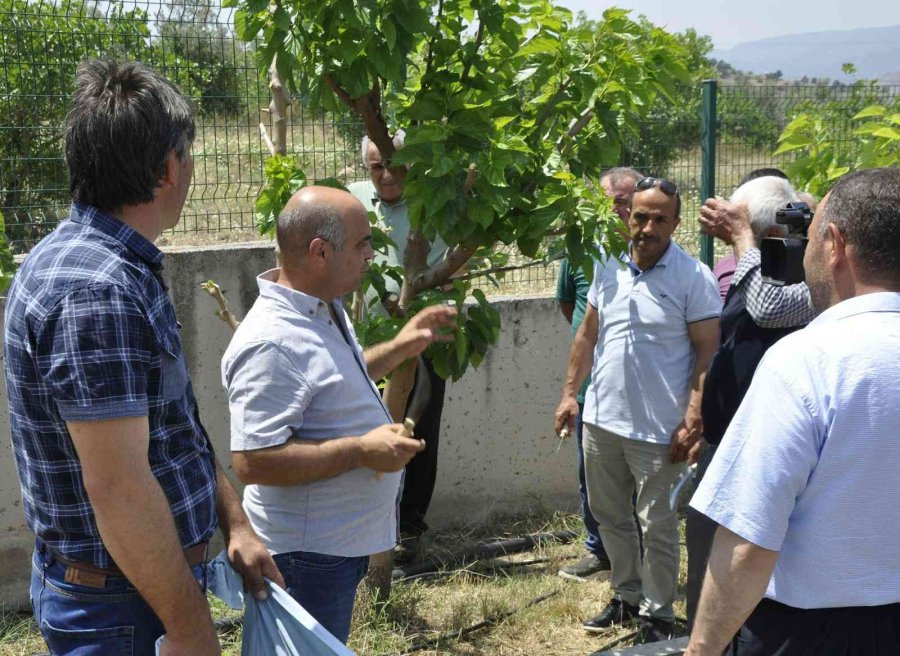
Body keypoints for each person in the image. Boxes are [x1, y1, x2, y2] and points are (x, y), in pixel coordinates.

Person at [3, 59, 281, 656]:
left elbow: (171, 427)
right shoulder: (96, 292)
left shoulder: (106, 262)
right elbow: (120, 488)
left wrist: (233, 520)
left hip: (132, 592)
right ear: (168, 168)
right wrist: (189, 627)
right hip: (122, 609)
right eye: (190, 154)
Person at [222, 186, 457, 643]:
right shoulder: (271, 341)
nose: (372, 254)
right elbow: (253, 461)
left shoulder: (321, 304)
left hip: (330, 550)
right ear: (321, 252)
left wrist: (399, 347)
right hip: (305, 559)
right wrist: (361, 451)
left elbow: (332, 378)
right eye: (362, 244)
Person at [686, 167, 900, 656]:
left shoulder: (807, 361)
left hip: (810, 632)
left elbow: (748, 542)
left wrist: (701, 649)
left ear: (835, 245)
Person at [555, 177, 721, 643]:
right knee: (609, 516)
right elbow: (587, 335)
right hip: (601, 421)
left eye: (659, 219)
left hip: (659, 431)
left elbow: (708, 352)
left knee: (658, 525)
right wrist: (569, 394)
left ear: (676, 223)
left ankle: (658, 615)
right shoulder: (606, 263)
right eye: (641, 216)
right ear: (628, 215)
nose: (648, 227)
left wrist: (694, 417)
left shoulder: (693, 277)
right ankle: (626, 596)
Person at [687, 175, 804, 627]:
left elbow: (767, 309)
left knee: (737, 558)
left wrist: (742, 238)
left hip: (761, 448)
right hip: (725, 440)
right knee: (705, 548)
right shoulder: (762, 268)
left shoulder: (810, 284)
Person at [347, 132, 449, 563]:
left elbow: (452, 267)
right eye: (376, 167)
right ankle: (369, 527)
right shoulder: (352, 201)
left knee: (418, 430)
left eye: (394, 164)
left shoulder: (430, 205)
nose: (386, 175)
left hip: (422, 338)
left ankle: (409, 527)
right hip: (368, 341)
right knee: (365, 428)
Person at [555, 166, 643, 582]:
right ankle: (599, 550)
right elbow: (568, 305)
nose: (615, 211)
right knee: (590, 474)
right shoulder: (580, 250)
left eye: (623, 202)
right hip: (591, 388)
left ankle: (637, 552)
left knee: (636, 478)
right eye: (607, 203)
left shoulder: (653, 254)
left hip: (638, 388)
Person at [712, 168, 790, 299]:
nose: (730, 232)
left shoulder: (798, 276)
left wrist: (740, 237)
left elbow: (766, 304)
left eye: (741, 225)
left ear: (772, 235)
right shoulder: (729, 272)